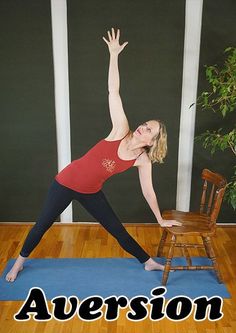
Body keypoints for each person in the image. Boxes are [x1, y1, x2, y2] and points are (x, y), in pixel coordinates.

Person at [6, 28, 181, 283]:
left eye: (149, 129)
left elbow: (148, 191)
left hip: (91, 191)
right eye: (145, 123)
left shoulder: (142, 160)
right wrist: (113, 56)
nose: (143, 126)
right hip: (65, 183)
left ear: (152, 141)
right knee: (42, 225)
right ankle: (19, 263)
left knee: (117, 230)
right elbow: (113, 92)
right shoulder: (121, 130)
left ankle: (148, 262)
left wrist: (160, 219)